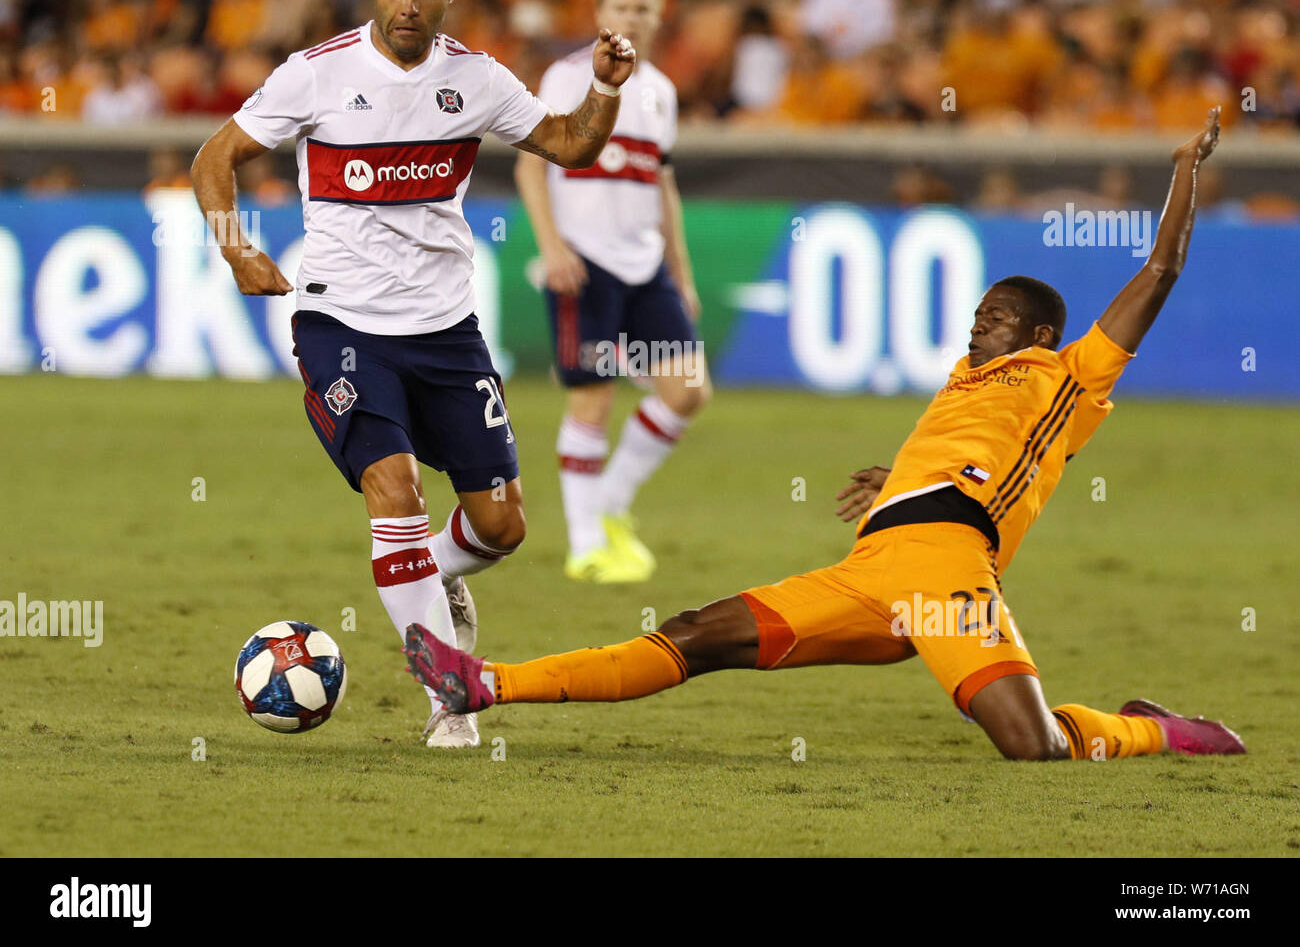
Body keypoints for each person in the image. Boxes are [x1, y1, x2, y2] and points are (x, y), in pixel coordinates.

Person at [406, 109, 1247, 762]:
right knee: (700, 632)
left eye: (992, 319)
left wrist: (1182, 172)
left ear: (1035, 333)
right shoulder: (963, 384)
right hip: (873, 569)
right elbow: (969, 456)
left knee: (1035, 747)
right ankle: (485, 683)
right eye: (977, 316)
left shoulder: (1070, 376)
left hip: (949, 572)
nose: (975, 328)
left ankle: (1150, 730)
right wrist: (904, 481)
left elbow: (1161, 270)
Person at [191, 0, 636, 748]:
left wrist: (605, 86)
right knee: (393, 490)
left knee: (502, 526)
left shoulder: (477, 80)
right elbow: (212, 158)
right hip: (339, 321)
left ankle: (428, 573)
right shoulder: (315, 75)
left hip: (445, 331)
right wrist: (236, 249)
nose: (408, 6)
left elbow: (572, 145)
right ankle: (447, 694)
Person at [516, 0, 709, 584]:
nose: (632, 17)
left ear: (659, 15)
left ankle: (610, 504)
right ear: (600, 13)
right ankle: (584, 544)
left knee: (687, 390)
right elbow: (531, 166)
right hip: (584, 262)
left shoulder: (663, 92)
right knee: (592, 401)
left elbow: (664, 184)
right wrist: (552, 248)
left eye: (643, 8)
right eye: (621, 6)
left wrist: (681, 272)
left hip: (645, 263)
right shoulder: (568, 76)